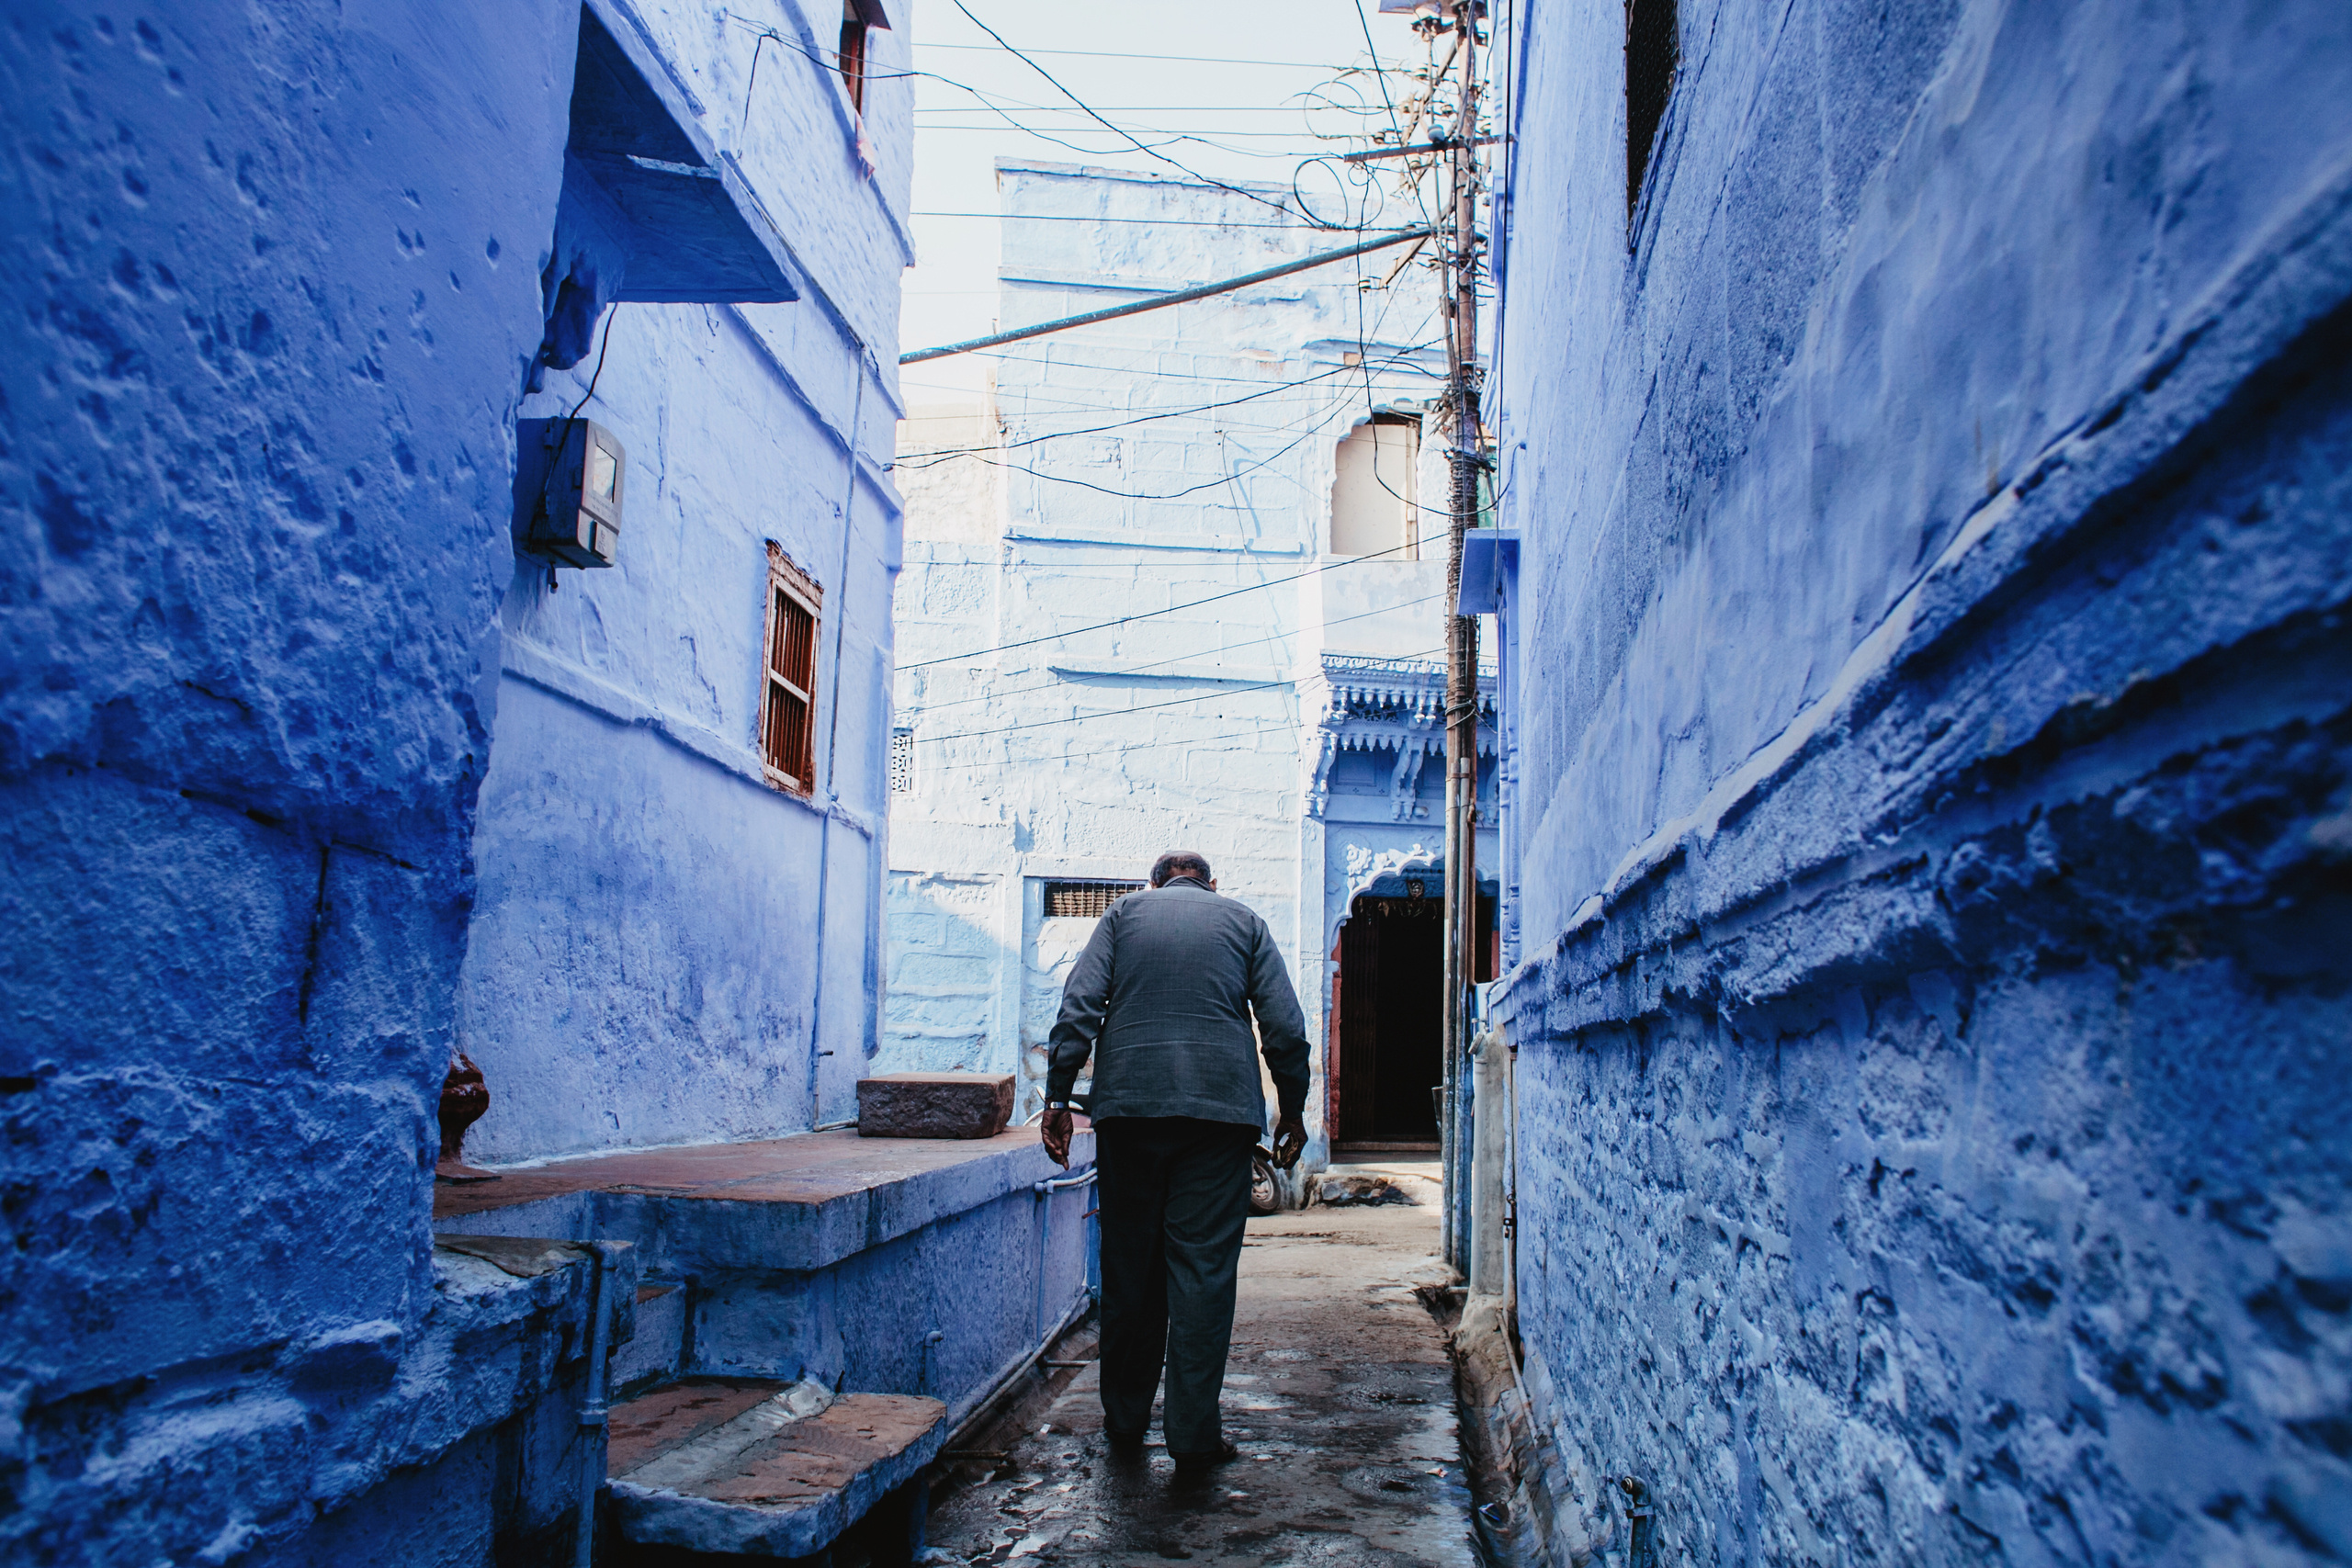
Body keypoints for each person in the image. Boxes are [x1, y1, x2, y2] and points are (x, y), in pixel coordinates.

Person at [1040, 850, 1310, 1473]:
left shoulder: (1122, 915)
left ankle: (1125, 1419)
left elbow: (1079, 1007)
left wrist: (1057, 1098)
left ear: (1154, 883)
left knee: (1129, 1267)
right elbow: (1283, 1025)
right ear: (1212, 883)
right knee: (1204, 1271)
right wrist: (1292, 1110)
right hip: (1219, 1118)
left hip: (1130, 1110)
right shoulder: (1244, 922)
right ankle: (1192, 1435)